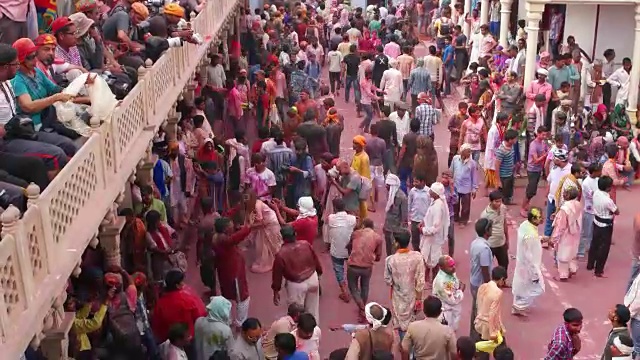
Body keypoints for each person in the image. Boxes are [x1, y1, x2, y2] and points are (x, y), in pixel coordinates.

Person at [272, 225, 323, 323]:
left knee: (296, 314)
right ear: (295, 234)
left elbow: (277, 275)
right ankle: (314, 332)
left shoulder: (281, 254)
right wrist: (319, 273)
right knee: (313, 311)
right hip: (312, 278)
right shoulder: (306, 244)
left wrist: (276, 291)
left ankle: (300, 334)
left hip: (296, 284)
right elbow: (316, 261)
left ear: (282, 237)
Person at [384, 231, 426, 340]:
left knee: (401, 323)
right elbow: (420, 281)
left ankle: (405, 346)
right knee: (412, 320)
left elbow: (388, 280)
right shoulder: (417, 256)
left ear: (397, 243)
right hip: (413, 295)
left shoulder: (390, 260)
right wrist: (419, 298)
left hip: (398, 297)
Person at [211, 217, 252, 328]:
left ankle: (227, 319)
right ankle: (240, 322)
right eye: (230, 226)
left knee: (227, 297)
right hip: (234, 274)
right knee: (243, 298)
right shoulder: (225, 241)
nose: (233, 226)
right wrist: (249, 226)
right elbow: (236, 237)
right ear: (225, 230)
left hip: (224, 272)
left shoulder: (217, 237)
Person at [152, 270, 207, 344]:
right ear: (177, 285)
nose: (184, 284)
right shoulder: (188, 298)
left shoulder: (160, 303)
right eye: (182, 282)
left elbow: (157, 325)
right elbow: (199, 315)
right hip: (187, 338)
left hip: (170, 340)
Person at [512, 207, 546, 316]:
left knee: (521, 286)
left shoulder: (524, 225)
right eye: (539, 218)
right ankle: (519, 306)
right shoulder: (530, 234)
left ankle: (517, 304)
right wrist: (534, 273)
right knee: (538, 288)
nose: (542, 219)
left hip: (522, 263)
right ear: (533, 219)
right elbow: (529, 255)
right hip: (529, 266)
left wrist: (540, 239)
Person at [346, 218, 383, 320]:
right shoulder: (377, 238)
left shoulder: (356, 233)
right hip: (367, 266)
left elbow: (348, 246)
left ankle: (362, 307)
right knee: (365, 286)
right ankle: (363, 309)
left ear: (363, 226)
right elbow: (379, 256)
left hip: (353, 264)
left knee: (353, 287)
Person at [401, 296, 457, 360]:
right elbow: (454, 353)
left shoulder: (413, 327)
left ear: (424, 310)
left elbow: (405, 349)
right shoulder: (448, 331)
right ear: (440, 312)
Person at [587, 175, 619, 278]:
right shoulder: (607, 200)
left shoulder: (596, 193)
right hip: (605, 225)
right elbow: (616, 211)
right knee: (604, 248)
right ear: (608, 188)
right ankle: (598, 270)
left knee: (594, 243)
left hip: (596, 221)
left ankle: (590, 264)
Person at [327, 197, 358, 303]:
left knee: (339, 269)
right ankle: (354, 289)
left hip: (336, 250)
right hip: (349, 249)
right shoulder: (352, 219)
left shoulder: (331, 218)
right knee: (352, 267)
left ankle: (344, 292)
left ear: (334, 208)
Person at [420, 182, 450, 287]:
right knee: (427, 258)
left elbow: (436, 227)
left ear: (436, 193)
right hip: (430, 237)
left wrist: (423, 230)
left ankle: (434, 281)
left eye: (431, 190)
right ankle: (427, 279)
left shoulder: (438, 206)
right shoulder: (435, 202)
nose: (429, 191)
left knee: (435, 260)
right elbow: (429, 217)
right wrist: (424, 223)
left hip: (433, 237)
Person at [551, 187, 583, 281]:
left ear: (569, 195)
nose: (563, 194)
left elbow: (560, 226)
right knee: (573, 252)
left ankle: (563, 275)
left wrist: (554, 238)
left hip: (566, 234)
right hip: (576, 231)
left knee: (563, 255)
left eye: (565, 193)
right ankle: (573, 268)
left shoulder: (565, 209)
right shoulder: (578, 204)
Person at [474, 266, 507, 353]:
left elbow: (478, 304)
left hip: (479, 321)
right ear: (501, 279)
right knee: (496, 349)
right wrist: (493, 332)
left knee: (481, 349)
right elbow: (493, 313)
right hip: (489, 325)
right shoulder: (498, 292)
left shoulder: (482, 286)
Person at [432, 255, 465, 332]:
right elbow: (452, 300)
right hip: (447, 313)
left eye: (453, 265)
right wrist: (461, 291)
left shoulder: (449, 272)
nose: (454, 267)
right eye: (450, 266)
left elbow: (454, 283)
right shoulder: (444, 282)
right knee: (448, 333)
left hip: (452, 310)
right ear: (442, 267)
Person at [480, 191, 509, 273]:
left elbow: (504, 223)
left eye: (500, 201)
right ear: (491, 201)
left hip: (501, 243)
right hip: (490, 245)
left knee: (504, 265)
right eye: (496, 201)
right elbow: (483, 232)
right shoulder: (485, 215)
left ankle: (503, 282)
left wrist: (507, 239)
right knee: (488, 266)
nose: (499, 203)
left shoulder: (503, 208)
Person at [450, 144, 478, 226]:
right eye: (468, 151)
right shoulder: (455, 159)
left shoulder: (472, 163)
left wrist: (474, 189)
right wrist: (450, 181)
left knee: (466, 206)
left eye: (470, 151)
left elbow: (474, 176)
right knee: (455, 203)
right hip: (456, 186)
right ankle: (455, 217)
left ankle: (463, 220)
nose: (469, 153)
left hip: (466, 188)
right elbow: (451, 170)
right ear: (462, 152)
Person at [578, 163, 601, 258]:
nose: (601, 172)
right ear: (594, 172)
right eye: (599, 171)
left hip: (597, 210)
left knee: (594, 232)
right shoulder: (586, 183)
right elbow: (592, 196)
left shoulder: (598, 180)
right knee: (585, 232)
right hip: (589, 210)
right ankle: (581, 251)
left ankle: (591, 249)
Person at [383, 173, 408, 256]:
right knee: (388, 250)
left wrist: (402, 231)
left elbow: (404, 216)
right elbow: (388, 213)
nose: (386, 187)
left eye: (388, 185)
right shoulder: (389, 194)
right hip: (388, 228)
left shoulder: (402, 197)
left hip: (397, 230)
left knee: (395, 251)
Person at [495, 129, 518, 204]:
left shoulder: (512, 146)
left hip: (510, 174)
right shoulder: (501, 150)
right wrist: (498, 181)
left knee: (509, 191)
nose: (516, 140)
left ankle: (507, 202)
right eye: (515, 138)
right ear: (510, 140)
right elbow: (497, 165)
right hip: (503, 176)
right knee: (502, 194)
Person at [409, 174, 431, 252]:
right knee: (415, 239)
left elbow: (431, 206)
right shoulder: (412, 191)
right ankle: (416, 254)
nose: (414, 184)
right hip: (414, 219)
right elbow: (409, 203)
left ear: (423, 182)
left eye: (416, 182)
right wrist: (408, 216)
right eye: (414, 181)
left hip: (424, 220)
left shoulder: (429, 191)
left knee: (424, 239)